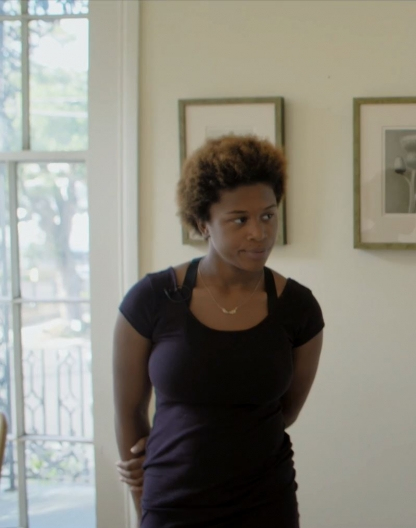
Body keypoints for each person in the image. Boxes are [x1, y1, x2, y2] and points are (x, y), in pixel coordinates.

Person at [113, 135, 325, 527]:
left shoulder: (298, 308)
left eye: (268, 215)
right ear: (203, 224)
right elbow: (129, 412)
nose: (258, 233)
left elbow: (285, 412)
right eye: (239, 219)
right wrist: (144, 502)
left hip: (265, 504)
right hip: (171, 504)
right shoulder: (151, 300)